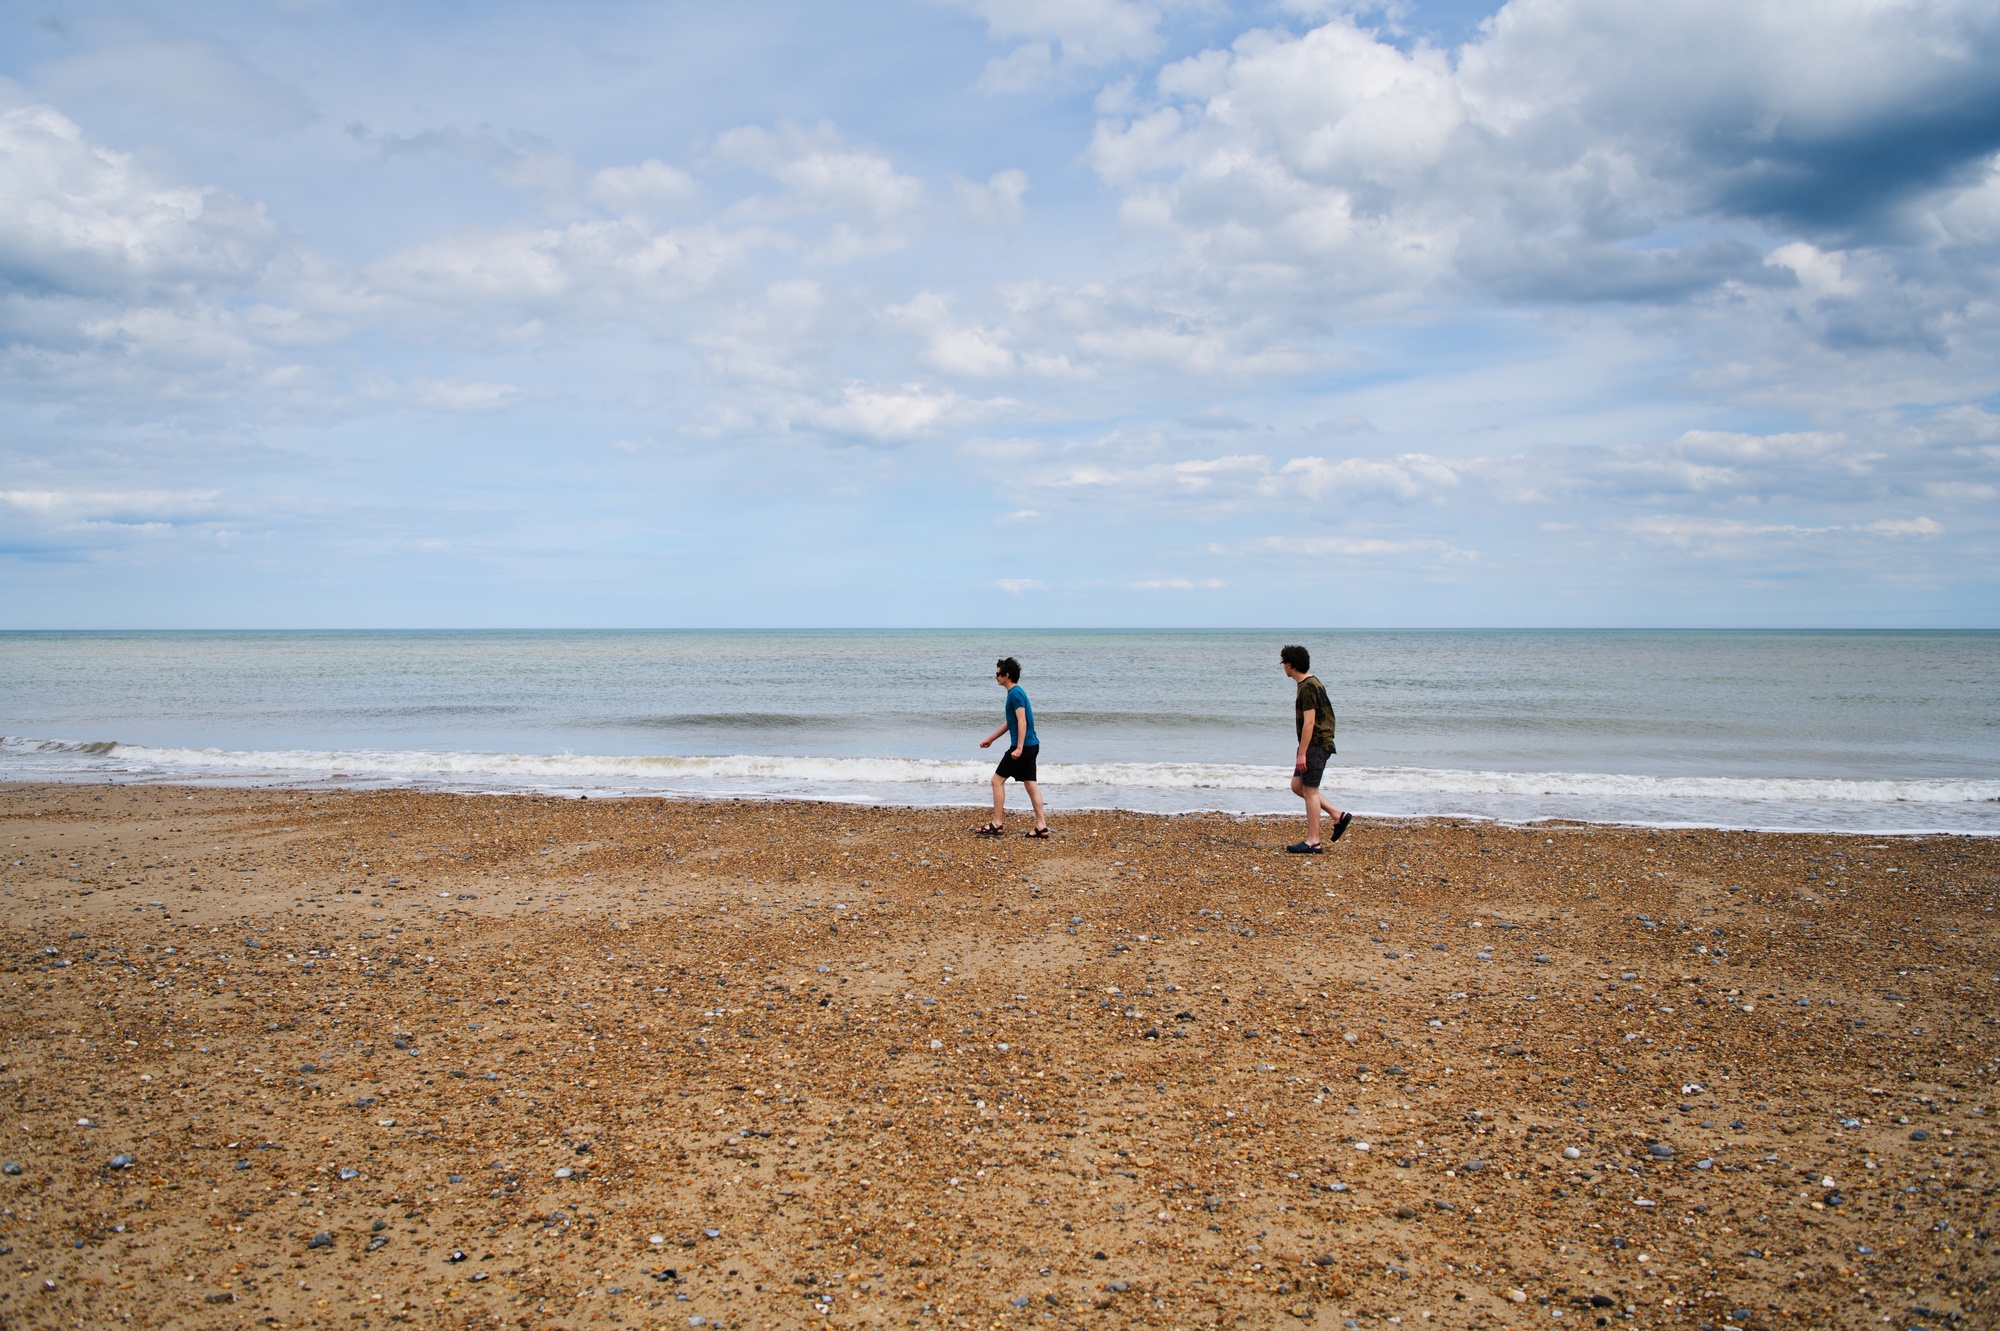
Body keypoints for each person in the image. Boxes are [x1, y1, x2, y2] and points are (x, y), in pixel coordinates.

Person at [1280, 644, 1351, 853]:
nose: (1283, 667)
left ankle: (1314, 841)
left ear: (1290, 665)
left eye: (1283, 663)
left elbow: (1310, 722)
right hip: (1311, 744)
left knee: (1310, 791)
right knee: (1297, 786)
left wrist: (1302, 753)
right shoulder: (1307, 684)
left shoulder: (1309, 687)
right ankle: (1338, 815)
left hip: (1316, 743)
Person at [975, 656, 1048, 837]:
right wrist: (991, 739)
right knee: (1030, 784)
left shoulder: (1015, 694)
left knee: (996, 781)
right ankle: (1041, 826)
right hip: (1032, 745)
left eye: (998, 674)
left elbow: (1022, 722)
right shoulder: (1016, 693)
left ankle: (997, 823)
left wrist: (1019, 748)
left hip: (1023, 747)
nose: (995, 677)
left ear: (1006, 675)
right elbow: (1011, 722)